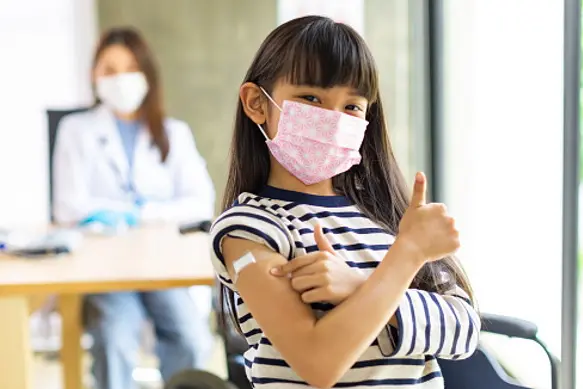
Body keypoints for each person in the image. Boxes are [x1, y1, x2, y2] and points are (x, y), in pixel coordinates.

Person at [210, 16, 480, 389]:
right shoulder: (248, 229)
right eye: (311, 98)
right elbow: (319, 363)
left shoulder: (388, 215)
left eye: (352, 107)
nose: (333, 119)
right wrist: (406, 256)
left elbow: (464, 332)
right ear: (257, 103)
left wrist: (356, 286)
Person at [52, 27, 214, 389]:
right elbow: (68, 207)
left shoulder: (174, 133)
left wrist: (138, 214)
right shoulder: (75, 130)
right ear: (94, 76)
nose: (120, 79)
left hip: (162, 263)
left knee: (191, 338)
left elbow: (198, 201)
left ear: (147, 74)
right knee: (114, 338)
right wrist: (150, 210)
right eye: (109, 69)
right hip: (105, 268)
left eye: (130, 68)